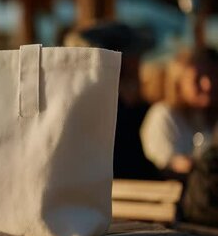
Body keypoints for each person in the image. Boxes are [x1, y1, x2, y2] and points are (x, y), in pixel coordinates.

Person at [64, 22, 160, 180]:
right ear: (119, 63)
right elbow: (131, 166)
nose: (140, 65)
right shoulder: (114, 113)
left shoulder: (78, 106)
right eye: (135, 57)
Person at [140, 48, 218, 178]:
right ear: (178, 83)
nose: (208, 85)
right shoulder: (164, 116)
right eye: (198, 79)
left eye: (212, 75)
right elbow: (170, 164)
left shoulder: (210, 116)